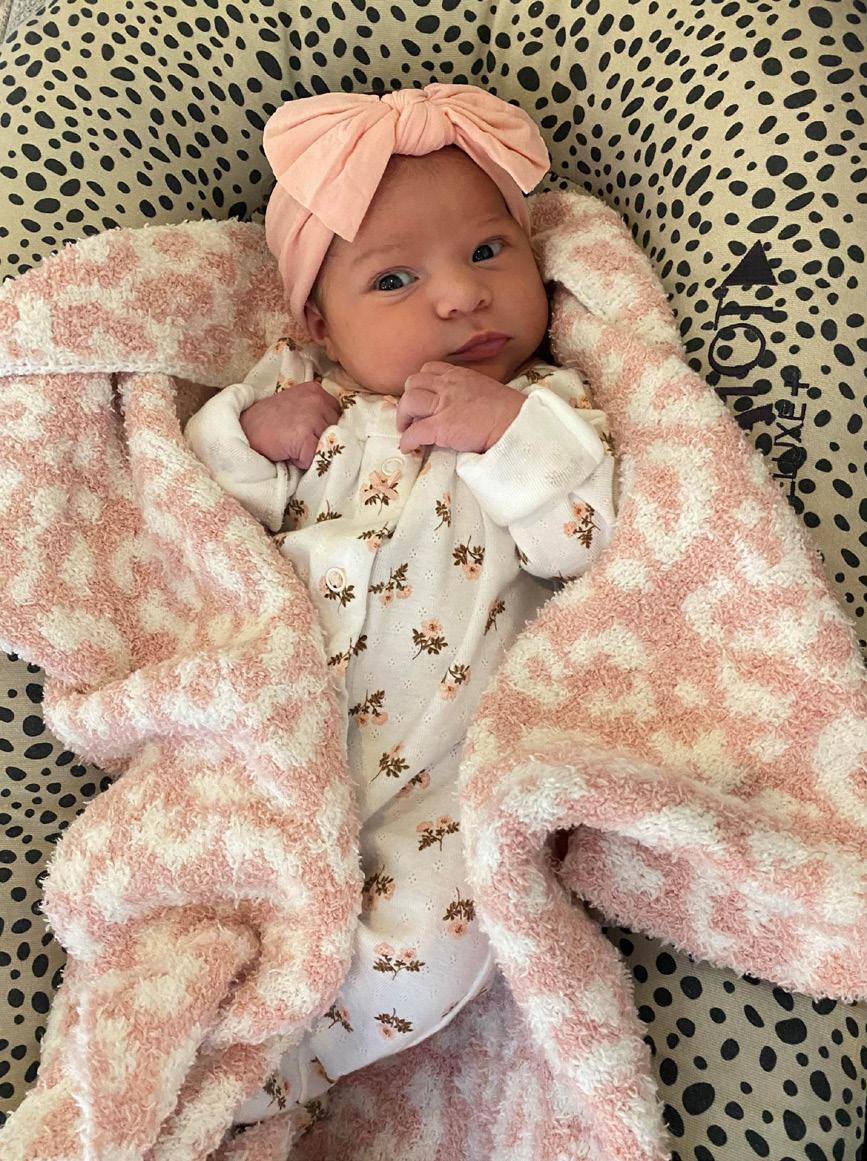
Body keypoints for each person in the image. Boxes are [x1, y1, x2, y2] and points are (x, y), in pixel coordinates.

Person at [184, 82, 617, 1135]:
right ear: (317, 322)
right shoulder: (304, 398)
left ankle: (279, 1074)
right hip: (274, 738)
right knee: (208, 888)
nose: (461, 297)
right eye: (394, 278)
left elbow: (583, 539)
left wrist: (504, 432)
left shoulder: (549, 409)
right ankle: (204, 1028)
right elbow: (193, 527)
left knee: (443, 934)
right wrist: (248, 437)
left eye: (488, 252)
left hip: (442, 772)